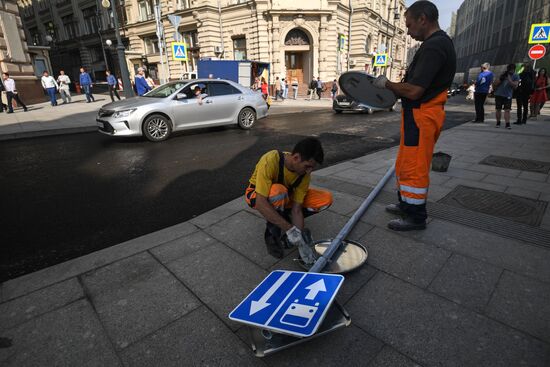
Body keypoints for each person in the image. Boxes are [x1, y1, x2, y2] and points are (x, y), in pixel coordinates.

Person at [372, 0, 456, 231]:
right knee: (406, 163)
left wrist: (387, 84)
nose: (407, 30)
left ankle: (416, 217)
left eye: (409, 25)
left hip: (422, 115)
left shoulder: (434, 46)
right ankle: (406, 205)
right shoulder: (437, 43)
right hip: (419, 115)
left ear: (423, 19)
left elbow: (415, 90)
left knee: (415, 167)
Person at [244, 137, 333, 262]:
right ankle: (272, 236)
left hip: (285, 196)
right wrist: (289, 229)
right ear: (296, 158)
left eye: (312, 168)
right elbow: (260, 202)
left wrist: (300, 239)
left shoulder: (304, 175)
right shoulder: (271, 160)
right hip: (257, 195)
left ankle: (284, 219)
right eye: (307, 166)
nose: (309, 171)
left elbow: (297, 209)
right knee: (278, 191)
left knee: (325, 199)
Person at [493, 63, 519, 129]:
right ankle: (498, 122)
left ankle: (507, 123)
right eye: (510, 70)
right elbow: (495, 84)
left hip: (508, 95)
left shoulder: (516, 76)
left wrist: (509, 79)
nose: (511, 71)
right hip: (498, 94)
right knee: (498, 109)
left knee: (507, 110)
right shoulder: (503, 75)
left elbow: (515, 86)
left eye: (512, 70)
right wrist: (501, 78)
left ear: (514, 70)